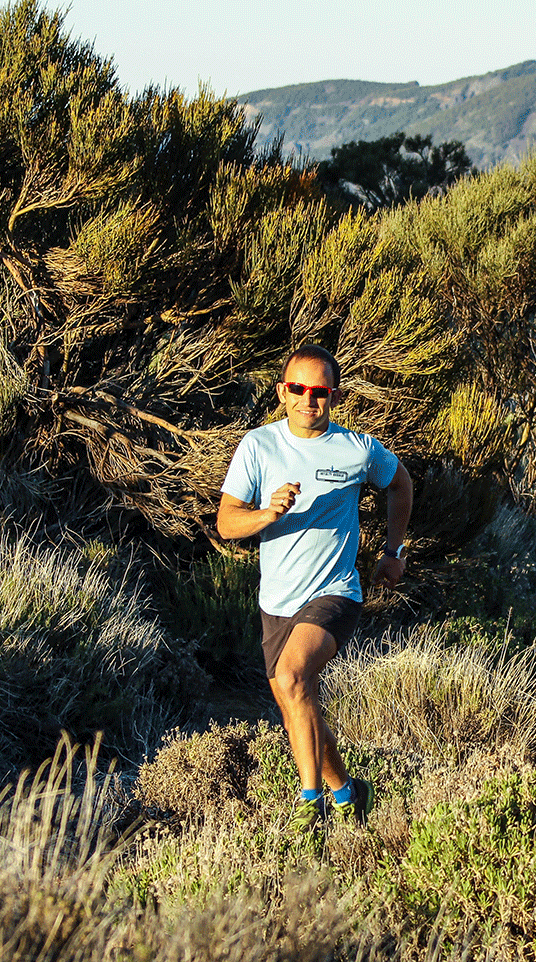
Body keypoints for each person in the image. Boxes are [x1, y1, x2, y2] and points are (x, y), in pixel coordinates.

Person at [217, 344, 412, 831]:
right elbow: (226, 523)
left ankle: (311, 806)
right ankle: (349, 794)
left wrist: (393, 552)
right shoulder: (258, 447)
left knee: (295, 677)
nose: (309, 400)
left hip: (335, 592)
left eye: (320, 391)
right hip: (275, 602)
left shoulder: (357, 449)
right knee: (294, 703)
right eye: (299, 389)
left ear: (334, 396)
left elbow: (401, 483)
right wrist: (266, 514)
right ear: (283, 392)